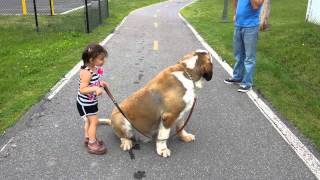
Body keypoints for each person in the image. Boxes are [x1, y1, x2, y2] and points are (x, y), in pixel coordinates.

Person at [224, 0, 264, 92]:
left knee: (249, 57)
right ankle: (237, 77)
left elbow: (256, 6)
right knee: (238, 54)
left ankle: (247, 83)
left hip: (251, 26)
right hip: (238, 25)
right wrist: (235, 13)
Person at [76, 43, 109, 155]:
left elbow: (93, 82)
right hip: (86, 103)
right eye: (101, 59)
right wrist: (95, 88)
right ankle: (92, 143)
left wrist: (100, 84)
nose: (103, 61)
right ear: (91, 60)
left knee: (90, 121)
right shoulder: (86, 72)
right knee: (93, 122)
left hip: (91, 101)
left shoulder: (94, 69)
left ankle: (88, 137)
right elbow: (83, 89)